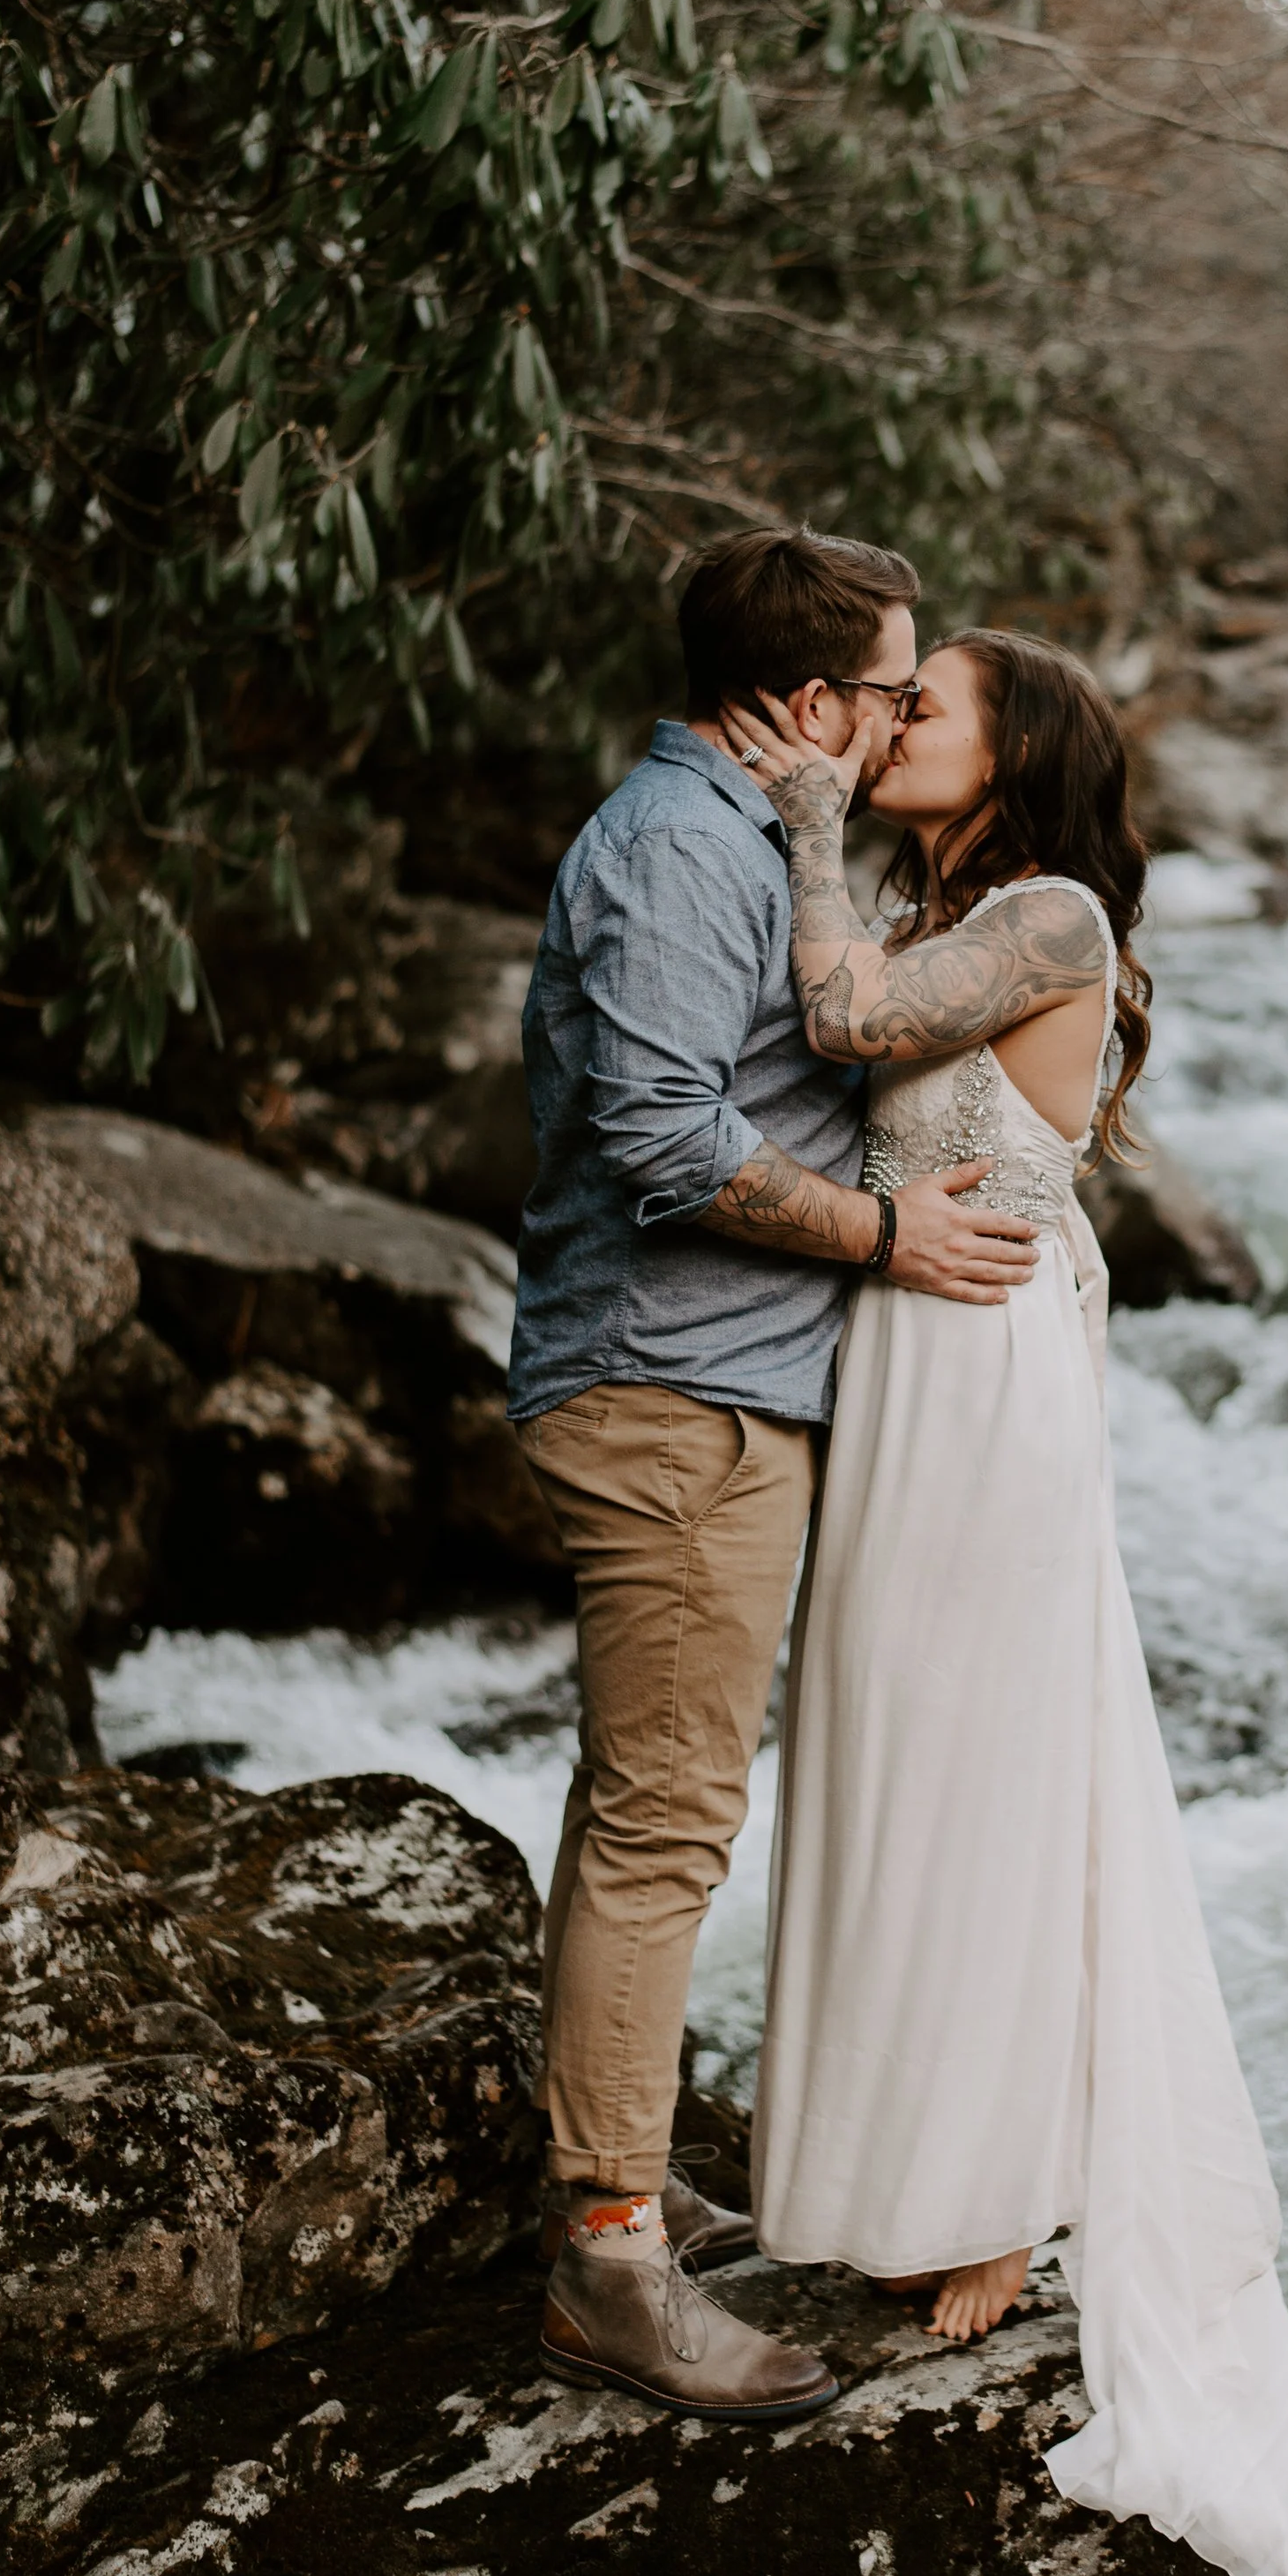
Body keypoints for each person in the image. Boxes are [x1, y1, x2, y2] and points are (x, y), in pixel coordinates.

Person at [723, 630, 1288, 2576]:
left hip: (979, 1370)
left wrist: (799, 815)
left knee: (983, 1766)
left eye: (927, 706)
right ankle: (908, 2172)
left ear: (1018, 750)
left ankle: (995, 2197)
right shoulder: (950, 894)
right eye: (888, 705)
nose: (889, 726)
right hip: (913, 1346)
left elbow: (849, 1019)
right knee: (893, 1756)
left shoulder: (1042, 909)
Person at [506, 529, 1043, 2423]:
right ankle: (609, 2262)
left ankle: (613, 2174)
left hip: (719, 1392)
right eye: (894, 691)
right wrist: (890, 1240)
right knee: (666, 1823)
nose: (902, 720)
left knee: (646, 1805)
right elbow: (665, 1141)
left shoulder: (746, 844)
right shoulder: (671, 851)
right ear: (812, 705)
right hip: (669, 1396)